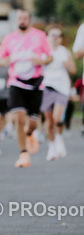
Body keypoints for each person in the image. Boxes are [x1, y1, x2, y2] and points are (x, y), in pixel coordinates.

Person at [0, 9, 52, 168]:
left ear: (29, 20)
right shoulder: (9, 39)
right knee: (19, 118)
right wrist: (8, 60)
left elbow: (50, 56)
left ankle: (30, 134)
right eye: (20, 18)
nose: (22, 20)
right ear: (16, 20)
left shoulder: (39, 36)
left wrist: (40, 61)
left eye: (25, 18)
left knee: (32, 123)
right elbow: (0, 60)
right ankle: (23, 154)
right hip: (16, 82)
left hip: (35, 83)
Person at [41, 27, 75, 160]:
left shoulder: (64, 52)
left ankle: (59, 138)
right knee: (48, 121)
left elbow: (73, 70)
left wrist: (66, 64)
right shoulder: (43, 52)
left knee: (57, 118)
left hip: (61, 88)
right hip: (46, 87)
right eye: (52, 35)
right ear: (47, 37)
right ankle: (51, 146)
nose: (55, 38)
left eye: (58, 35)